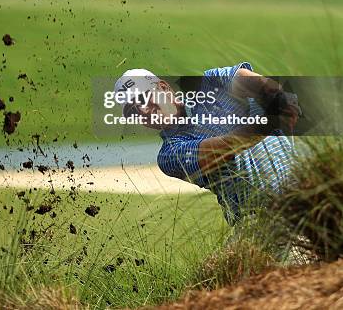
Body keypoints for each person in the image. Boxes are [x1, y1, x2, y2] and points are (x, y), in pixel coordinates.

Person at [113, 63, 299, 227]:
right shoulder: (169, 155)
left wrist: (280, 99)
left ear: (163, 87)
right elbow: (228, 146)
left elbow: (256, 83)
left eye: (143, 99)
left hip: (304, 197)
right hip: (258, 222)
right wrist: (273, 120)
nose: (143, 111)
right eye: (132, 111)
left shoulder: (212, 83)